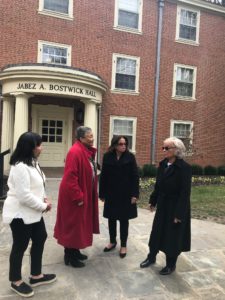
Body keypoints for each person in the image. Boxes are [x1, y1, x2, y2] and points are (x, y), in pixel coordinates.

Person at [2, 132, 56, 298]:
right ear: (30, 148)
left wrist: (43, 197)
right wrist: (43, 206)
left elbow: (36, 185)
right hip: (20, 214)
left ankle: (36, 275)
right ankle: (16, 280)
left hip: (33, 212)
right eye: (38, 145)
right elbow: (24, 195)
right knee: (20, 245)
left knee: (40, 237)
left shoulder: (32, 163)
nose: (41, 148)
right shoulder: (19, 166)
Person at [140, 137, 192, 275]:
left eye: (167, 148)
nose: (164, 150)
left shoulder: (184, 168)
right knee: (156, 232)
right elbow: (158, 185)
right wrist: (153, 200)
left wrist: (179, 214)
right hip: (163, 205)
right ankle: (151, 257)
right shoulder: (163, 164)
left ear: (177, 150)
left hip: (175, 207)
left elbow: (185, 193)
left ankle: (171, 264)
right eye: (163, 148)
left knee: (172, 236)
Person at [54, 126, 99, 268]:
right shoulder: (75, 152)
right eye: (89, 136)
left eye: (92, 136)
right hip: (74, 197)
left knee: (80, 224)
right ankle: (70, 256)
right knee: (73, 225)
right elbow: (70, 178)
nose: (92, 139)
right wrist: (78, 197)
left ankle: (75, 250)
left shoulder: (84, 150)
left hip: (83, 192)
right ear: (81, 138)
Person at [99, 135, 139, 258]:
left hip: (126, 194)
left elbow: (135, 177)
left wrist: (135, 194)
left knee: (123, 220)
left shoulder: (130, 157)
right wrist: (102, 193)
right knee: (111, 218)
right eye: (120, 144)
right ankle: (112, 241)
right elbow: (103, 176)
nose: (123, 146)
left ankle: (123, 245)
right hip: (111, 193)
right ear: (115, 144)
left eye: (125, 144)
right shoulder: (107, 156)